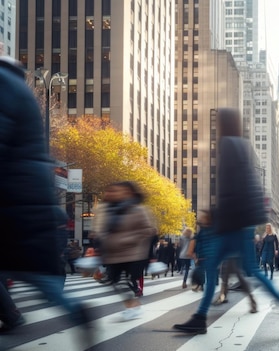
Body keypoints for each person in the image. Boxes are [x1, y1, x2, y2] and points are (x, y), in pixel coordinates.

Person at [173, 108, 279, 336]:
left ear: (223, 124)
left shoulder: (228, 146)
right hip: (242, 221)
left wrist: (218, 215)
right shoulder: (241, 146)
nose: (214, 128)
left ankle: (200, 318)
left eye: (216, 123)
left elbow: (230, 188)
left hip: (232, 222)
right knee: (250, 270)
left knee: (213, 267)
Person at [0, 57, 90, 335]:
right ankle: (72, 307)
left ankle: (70, 308)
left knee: (29, 271)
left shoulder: (3, 84)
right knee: (33, 272)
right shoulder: (20, 87)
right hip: (27, 191)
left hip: (12, 192)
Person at [93, 181, 157, 320]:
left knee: (125, 280)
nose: (112, 194)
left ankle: (133, 306)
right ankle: (133, 305)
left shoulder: (138, 209)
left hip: (133, 253)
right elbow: (102, 230)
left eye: (116, 191)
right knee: (114, 282)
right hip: (113, 254)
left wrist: (128, 240)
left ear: (127, 192)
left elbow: (149, 230)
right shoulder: (108, 210)